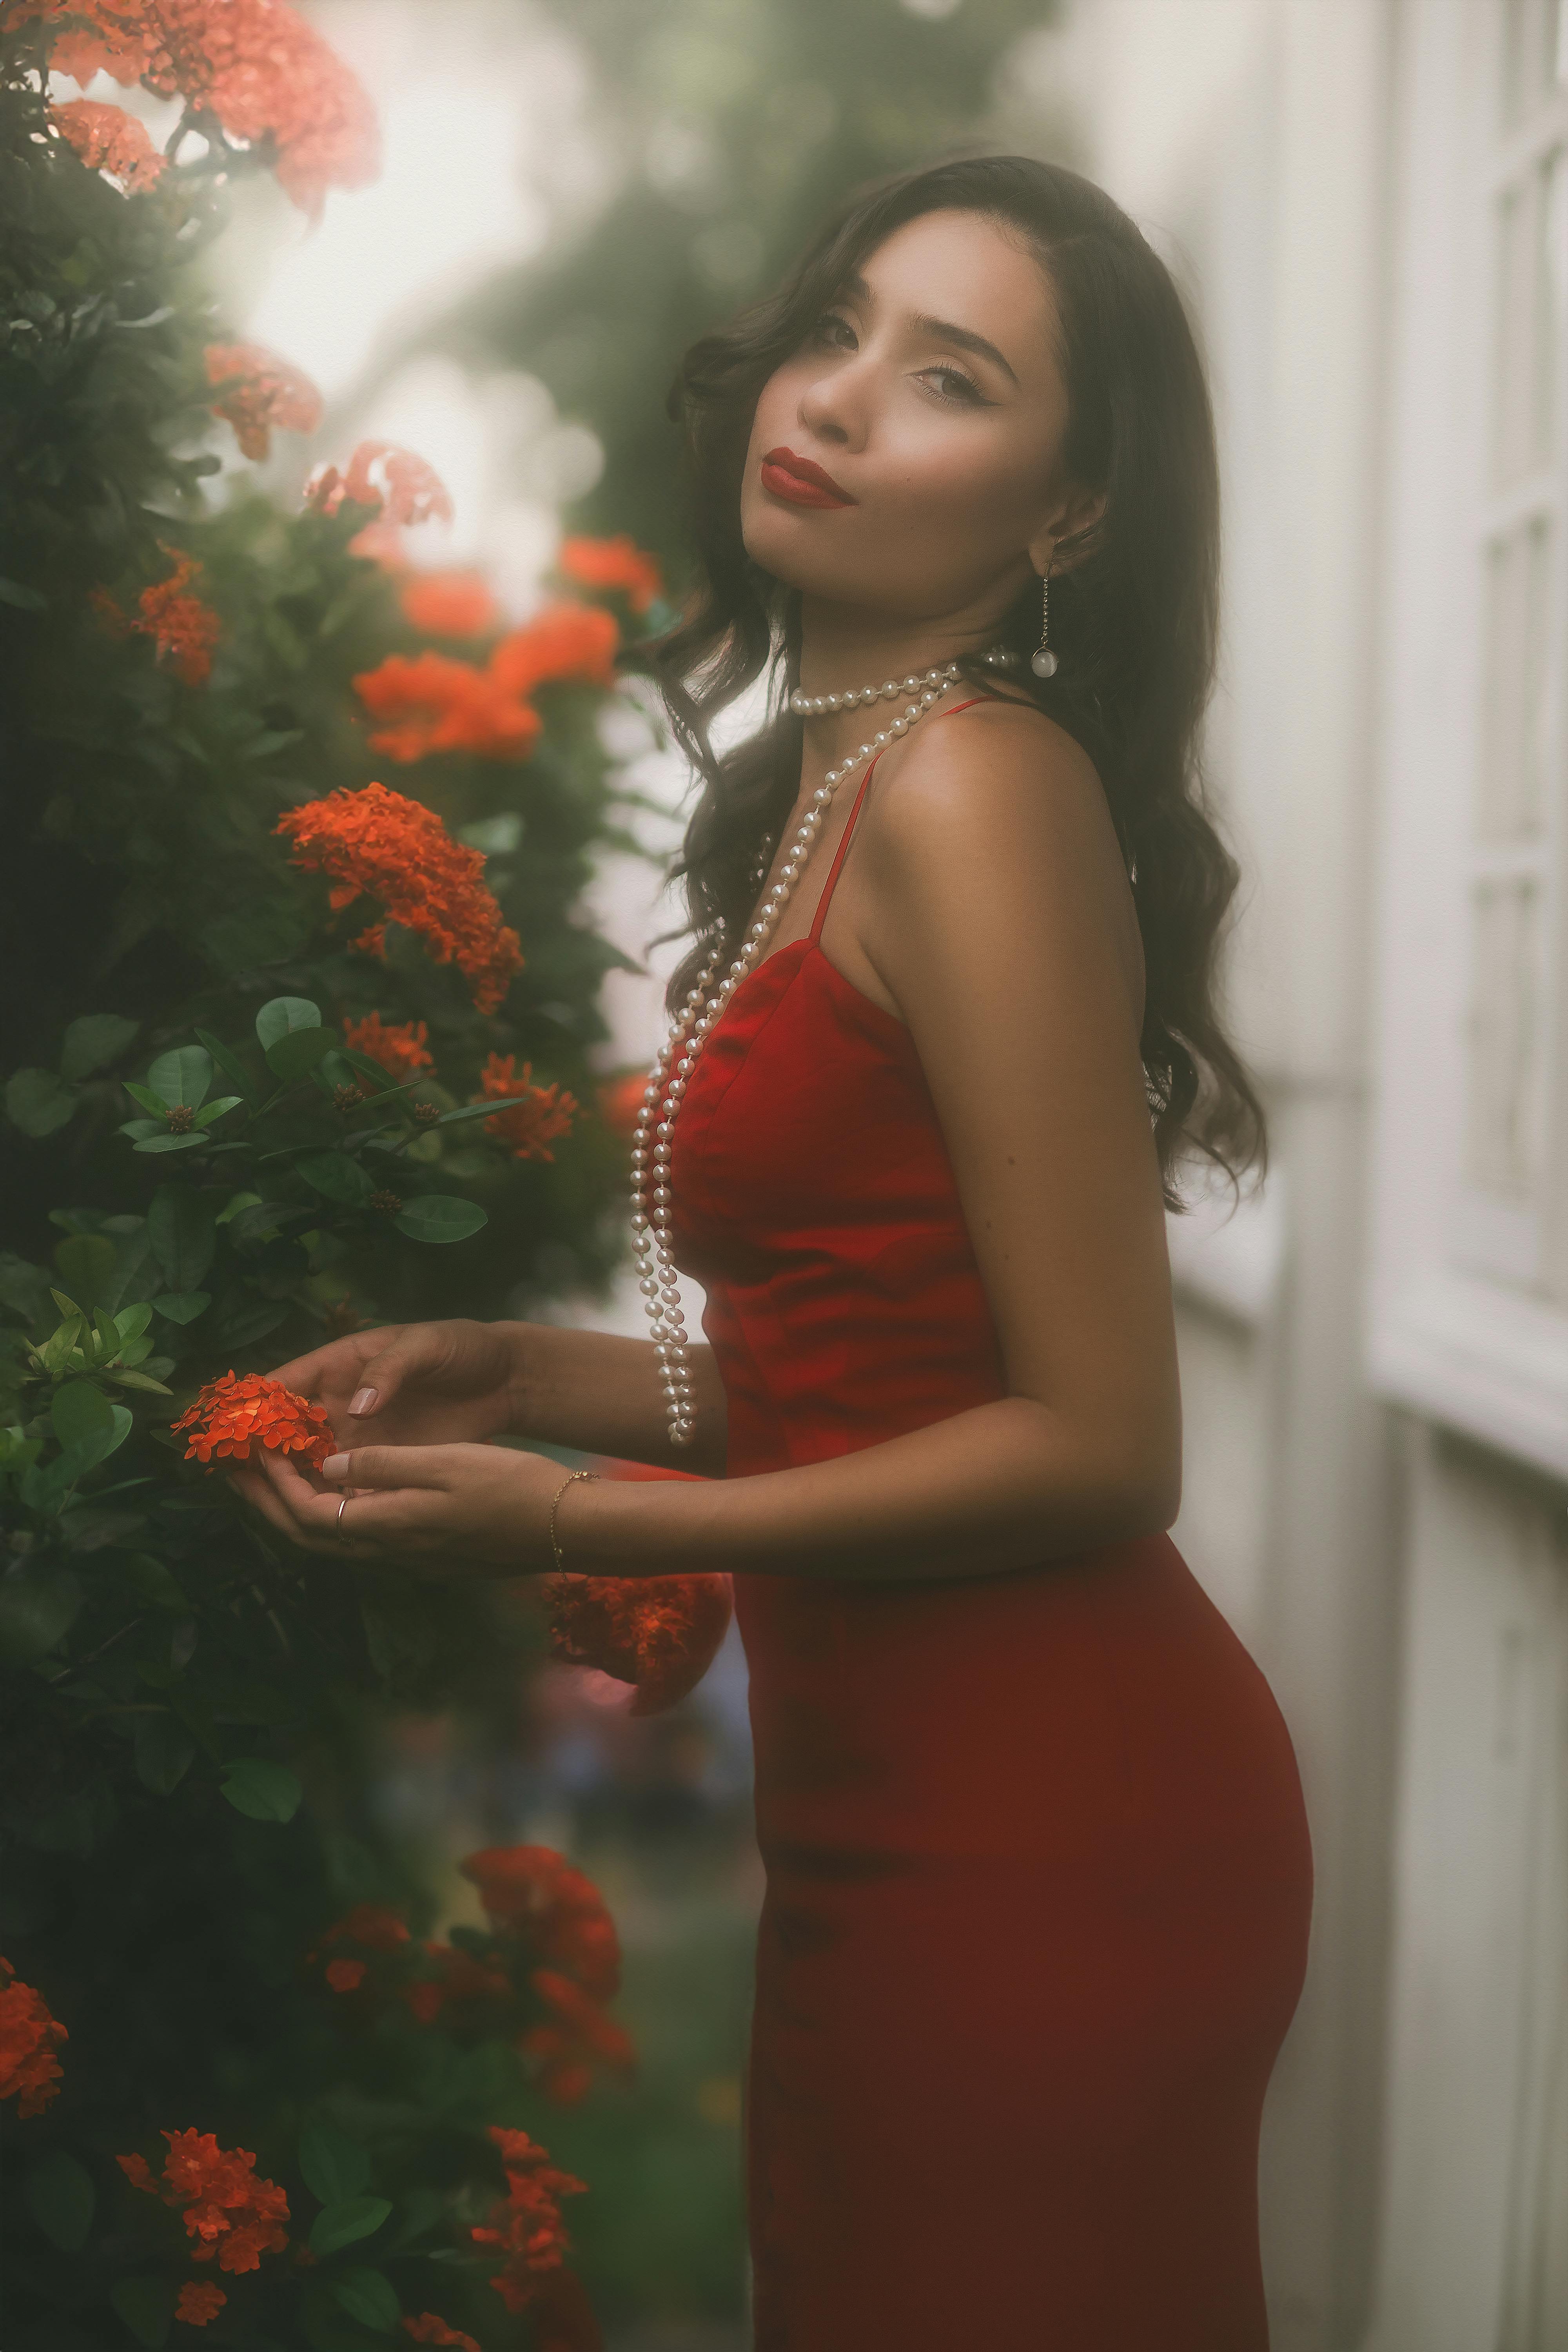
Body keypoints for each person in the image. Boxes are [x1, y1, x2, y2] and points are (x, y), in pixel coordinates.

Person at [235, 156, 1312, 2352]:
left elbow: (1106, 1444)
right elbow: (883, 1361)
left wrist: (589, 1515)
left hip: (1045, 1831)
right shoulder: (844, 777)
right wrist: (513, 1375)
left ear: (1068, 513)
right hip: (889, 1820)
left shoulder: (976, 787)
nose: (830, 398)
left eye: (949, 378)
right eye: (836, 327)